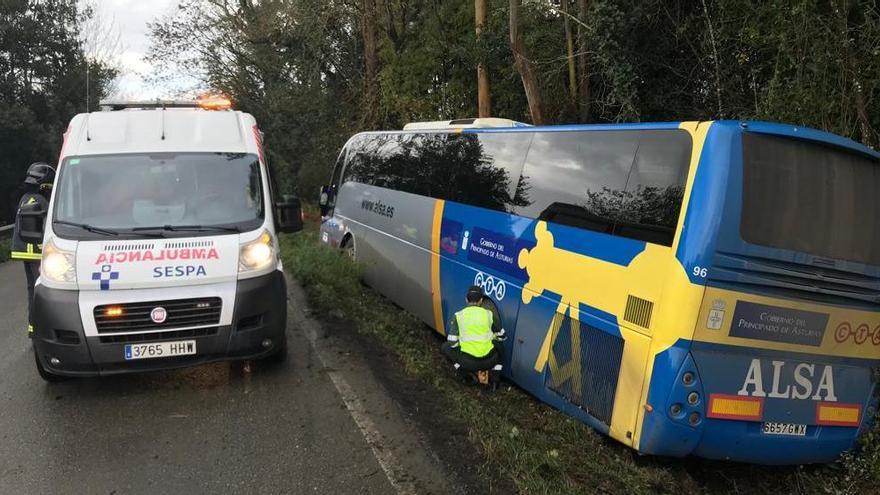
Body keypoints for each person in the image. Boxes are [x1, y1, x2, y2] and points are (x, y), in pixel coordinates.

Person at [10, 163, 55, 337]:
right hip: (36, 251)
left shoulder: (25, 198)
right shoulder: (42, 201)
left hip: (23, 250)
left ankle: (33, 328)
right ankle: (41, 331)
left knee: (32, 290)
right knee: (43, 291)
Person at [441, 285, 506, 386]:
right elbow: (502, 336)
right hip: (489, 361)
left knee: (445, 347)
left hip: (468, 362)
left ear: (466, 299)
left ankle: (467, 374)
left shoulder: (459, 315)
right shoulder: (489, 314)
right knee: (500, 346)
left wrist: (463, 345)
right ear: (481, 300)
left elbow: (452, 342)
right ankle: (495, 379)